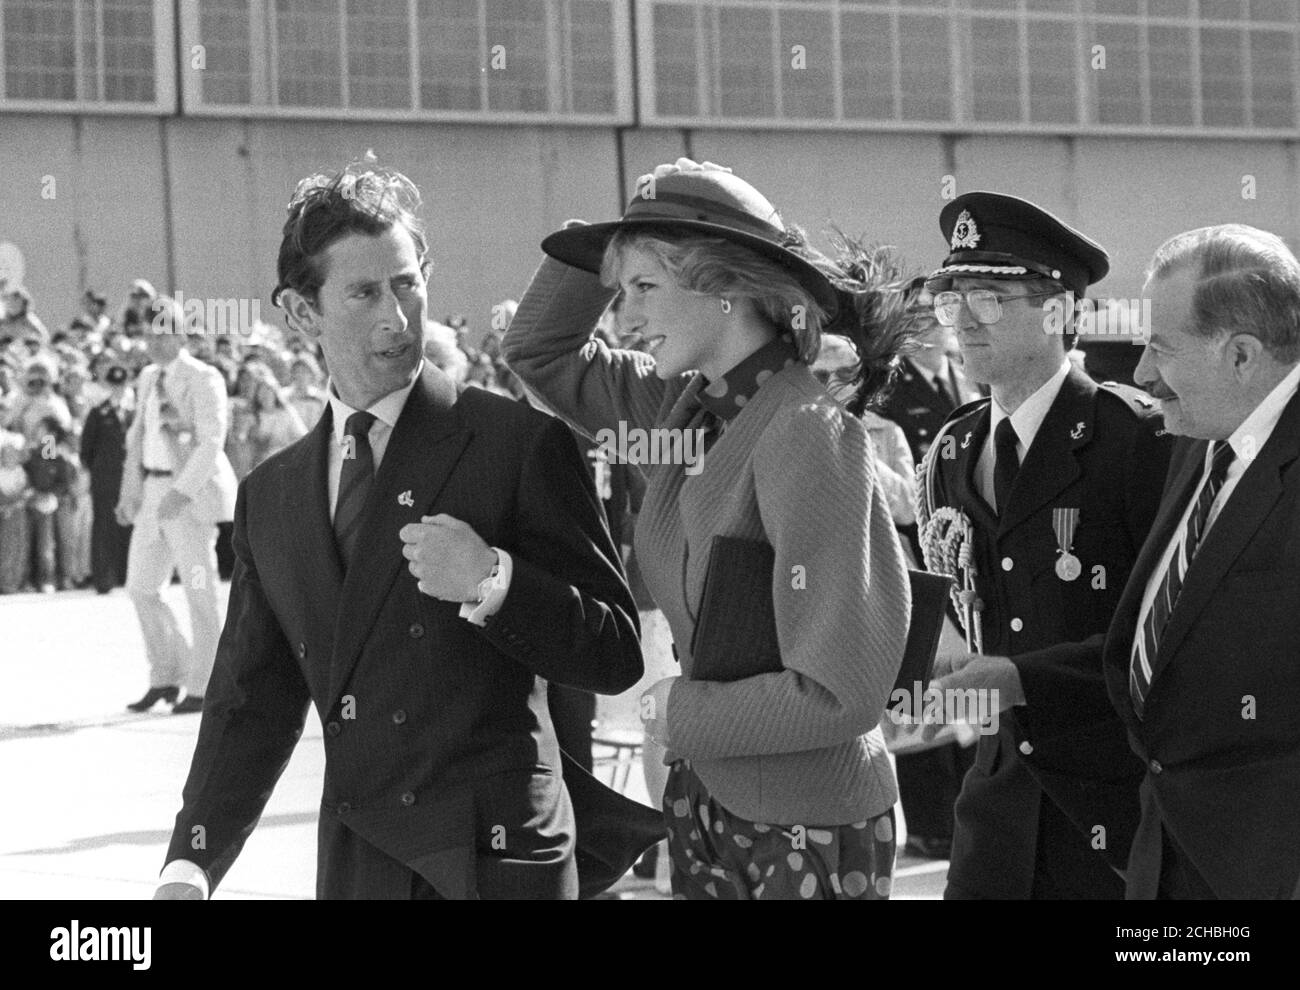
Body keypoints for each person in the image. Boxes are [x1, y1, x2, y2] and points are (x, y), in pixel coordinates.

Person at [153, 164, 655, 902]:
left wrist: (495, 582)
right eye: (364, 292)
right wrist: (190, 864)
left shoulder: (515, 442)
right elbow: (250, 700)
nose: (398, 314)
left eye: (408, 283)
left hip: (499, 857)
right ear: (299, 313)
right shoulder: (274, 495)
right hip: (363, 860)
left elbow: (613, 651)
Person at [505, 158, 911, 899]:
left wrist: (680, 711)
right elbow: (538, 351)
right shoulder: (680, 411)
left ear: (724, 287)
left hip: (806, 825)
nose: (622, 318)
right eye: (618, 291)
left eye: (644, 289)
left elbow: (843, 692)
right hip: (707, 807)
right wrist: (592, 245)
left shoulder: (807, 433)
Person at [915, 192, 1174, 899]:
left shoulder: (1137, 439)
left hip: (1115, 812)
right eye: (952, 297)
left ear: (1060, 311)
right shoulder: (952, 450)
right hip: (996, 812)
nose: (963, 319)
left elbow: (1176, 643)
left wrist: (1022, 679)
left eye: (991, 298)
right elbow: (958, 620)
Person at [1101, 225, 1299, 898]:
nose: (1141, 376)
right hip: (1168, 861)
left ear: (1242, 356)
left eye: (1161, 348)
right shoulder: (1200, 437)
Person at [118, 297, 237, 714]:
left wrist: (181, 493)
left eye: (162, 332)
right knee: (141, 587)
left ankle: (206, 685)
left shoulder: (204, 377)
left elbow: (211, 440)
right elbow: (137, 437)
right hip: (152, 490)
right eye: (148, 333)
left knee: (199, 591)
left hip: (189, 495)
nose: (152, 341)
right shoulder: (148, 377)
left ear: (182, 334)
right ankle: (168, 673)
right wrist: (128, 492)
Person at [80, 362, 135, 593]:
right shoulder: (98, 412)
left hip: (129, 479)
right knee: (104, 527)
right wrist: (99, 471)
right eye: (114, 385)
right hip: (105, 479)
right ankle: (104, 578)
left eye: (121, 385)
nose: (118, 390)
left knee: (128, 526)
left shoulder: (133, 413)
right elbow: (86, 450)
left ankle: (125, 576)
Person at [244, 360, 308, 467]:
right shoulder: (253, 416)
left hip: (286, 461)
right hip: (260, 466)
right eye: (261, 390)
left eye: (268, 390)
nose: (265, 395)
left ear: (274, 391)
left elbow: (302, 436)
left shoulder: (287, 412)